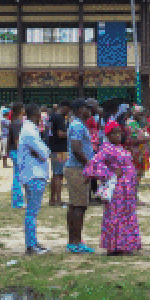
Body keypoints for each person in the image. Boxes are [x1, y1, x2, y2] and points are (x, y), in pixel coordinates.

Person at [83, 120, 142, 255]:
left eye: (119, 133)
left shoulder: (119, 147)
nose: (118, 135)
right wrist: (109, 174)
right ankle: (114, 247)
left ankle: (126, 245)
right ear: (108, 135)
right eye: (114, 133)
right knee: (115, 217)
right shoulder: (106, 149)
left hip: (127, 190)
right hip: (117, 189)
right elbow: (93, 166)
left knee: (127, 216)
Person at [15, 104, 50, 255]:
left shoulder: (29, 129)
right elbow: (44, 152)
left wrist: (43, 152)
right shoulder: (29, 131)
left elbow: (44, 151)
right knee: (32, 213)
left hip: (33, 174)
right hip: (34, 175)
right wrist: (43, 152)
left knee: (33, 212)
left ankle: (33, 242)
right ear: (35, 115)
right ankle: (31, 246)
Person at [64, 100, 96, 254]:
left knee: (76, 205)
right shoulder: (77, 125)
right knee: (79, 206)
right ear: (78, 110)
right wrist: (89, 164)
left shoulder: (79, 124)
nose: (89, 110)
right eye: (86, 107)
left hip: (78, 168)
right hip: (78, 169)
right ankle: (75, 242)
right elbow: (76, 149)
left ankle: (74, 241)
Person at [46, 101, 70, 207]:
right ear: (65, 108)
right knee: (59, 175)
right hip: (60, 149)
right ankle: (58, 200)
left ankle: (52, 199)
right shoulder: (60, 117)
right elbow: (60, 134)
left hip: (53, 147)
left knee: (55, 174)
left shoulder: (52, 116)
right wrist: (71, 133)